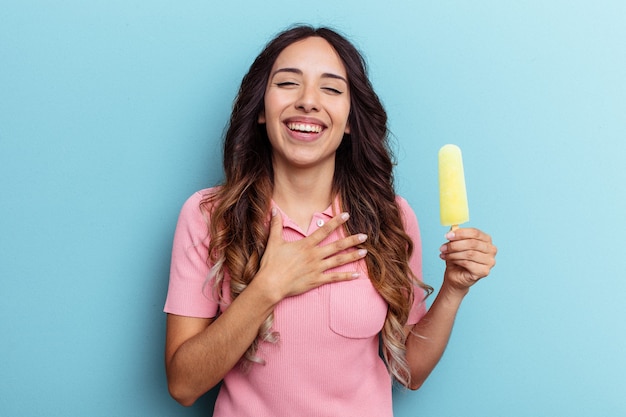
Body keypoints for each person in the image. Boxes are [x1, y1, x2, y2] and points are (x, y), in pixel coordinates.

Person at [163, 25, 497, 417]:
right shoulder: (208, 216)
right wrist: (267, 288)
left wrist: (454, 289)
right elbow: (183, 385)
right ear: (259, 109)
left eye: (332, 89)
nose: (308, 101)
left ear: (351, 120)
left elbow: (410, 372)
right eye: (288, 84)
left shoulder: (390, 217)